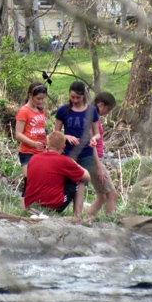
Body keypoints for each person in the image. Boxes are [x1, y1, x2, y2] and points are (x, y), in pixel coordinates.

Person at [54, 80, 110, 215]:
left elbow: (97, 134)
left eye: (78, 98)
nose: (74, 100)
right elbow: (56, 133)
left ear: (84, 96)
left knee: (81, 182)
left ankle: (77, 214)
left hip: (86, 153)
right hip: (68, 152)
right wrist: (66, 136)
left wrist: (93, 139)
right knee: (67, 182)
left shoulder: (91, 111)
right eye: (72, 97)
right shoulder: (63, 110)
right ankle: (57, 208)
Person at [23, 131, 90, 219]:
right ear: (63, 147)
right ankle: (77, 216)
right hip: (53, 206)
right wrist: (76, 164)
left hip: (30, 205)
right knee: (80, 180)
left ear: (47, 145)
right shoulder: (64, 161)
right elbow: (87, 177)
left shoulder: (34, 158)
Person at [85, 91, 119, 219]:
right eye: (108, 109)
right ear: (100, 104)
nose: (108, 112)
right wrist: (99, 166)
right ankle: (110, 222)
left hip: (95, 159)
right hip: (93, 160)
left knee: (102, 196)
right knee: (112, 194)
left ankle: (87, 219)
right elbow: (90, 142)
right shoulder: (90, 117)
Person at [14, 82, 49, 177]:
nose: (41, 101)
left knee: (40, 180)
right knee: (30, 179)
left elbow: (41, 131)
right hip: (28, 152)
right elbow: (18, 134)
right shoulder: (24, 111)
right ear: (30, 95)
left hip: (41, 152)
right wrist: (33, 143)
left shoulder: (41, 111)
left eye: (42, 98)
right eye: (38, 98)